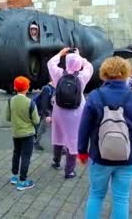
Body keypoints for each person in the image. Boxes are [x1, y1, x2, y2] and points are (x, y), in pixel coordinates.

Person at [78, 57, 132, 219]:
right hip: (128, 157)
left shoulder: (94, 97)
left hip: (99, 156)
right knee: (121, 199)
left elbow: (84, 128)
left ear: (104, 73)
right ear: (126, 74)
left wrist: (81, 151)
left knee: (96, 195)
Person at [47, 47, 93, 179]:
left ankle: (56, 161)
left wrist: (61, 53)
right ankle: (69, 171)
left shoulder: (59, 74)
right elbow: (89, 66)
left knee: (58, 135)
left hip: (59, 109)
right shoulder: (82, 76)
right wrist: (80, 57)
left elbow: (50, 63)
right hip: (76, 111)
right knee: (73, 140)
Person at [6, 76, 40, 191]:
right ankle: (22, 181)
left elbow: (7, 117)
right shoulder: (30, 103)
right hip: (28, 134)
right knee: (26, 156)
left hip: (16, 133)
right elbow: (36, 120)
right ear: (26, 88)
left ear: (15, 88)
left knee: (16, 153)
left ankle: (14, 177)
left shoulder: (11, 100)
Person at [33, 81, 55, 151]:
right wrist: (46, 114)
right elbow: (44, 102)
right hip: (45, 110)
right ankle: (36, 142)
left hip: (49, 110)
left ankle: (60, 147)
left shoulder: (55, 88)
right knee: (42, 127)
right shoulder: (47, 89)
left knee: (42, 127)